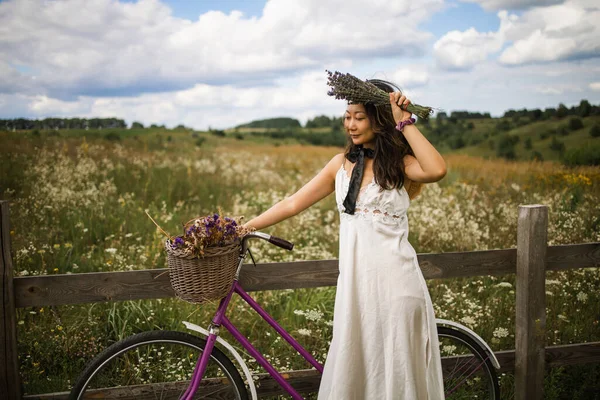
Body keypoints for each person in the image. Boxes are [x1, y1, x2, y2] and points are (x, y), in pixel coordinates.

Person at [243, 79, 446, 399]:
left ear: (379, 121)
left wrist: (404, 120)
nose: (350, 124)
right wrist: (242, 228)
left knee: (395, 370)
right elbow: (292, 203)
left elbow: (436, 170)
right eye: (347, 116)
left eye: (359, 117)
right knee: (358, 368)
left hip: (397, 286)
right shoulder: (341, 164)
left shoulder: (398, 166)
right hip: (356, 288)